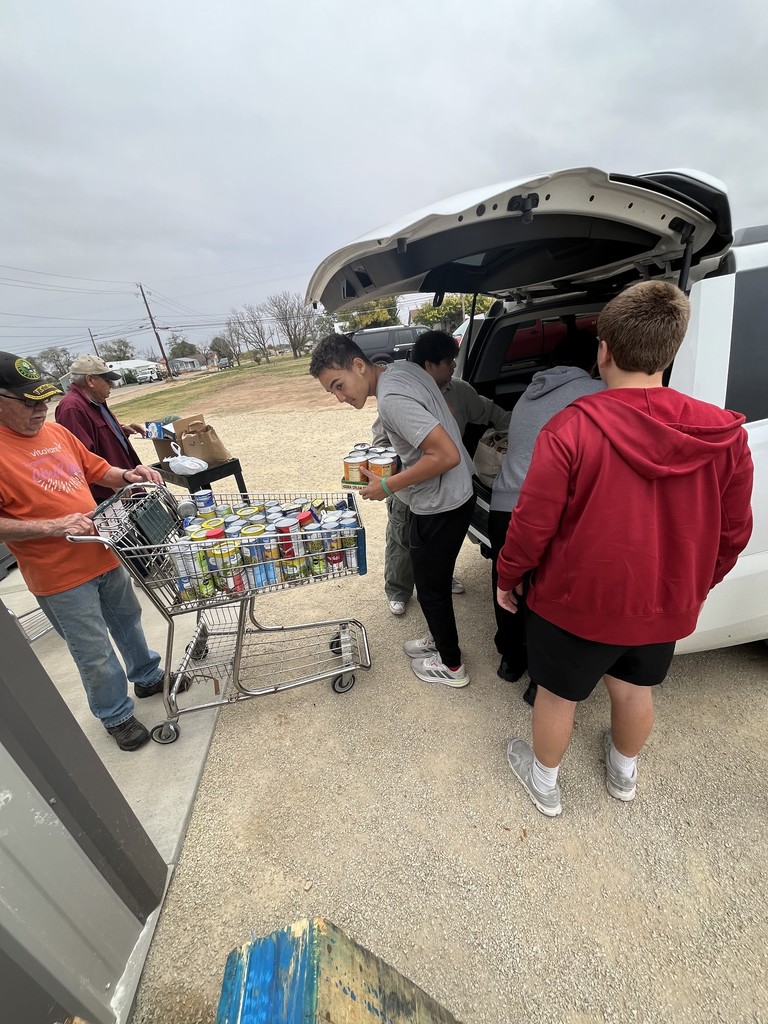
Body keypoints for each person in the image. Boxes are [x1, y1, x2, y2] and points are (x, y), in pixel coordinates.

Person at [496, 282, 753, 817]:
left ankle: (545, 783)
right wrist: (696, 583)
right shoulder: (723, 434)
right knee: (635, 688)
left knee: (558, 694)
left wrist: (507, 575)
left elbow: (532, 524)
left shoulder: (570, 427)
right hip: (662, 603)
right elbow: (734, 533)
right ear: (671, 351)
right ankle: (622, 774)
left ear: (604, 349)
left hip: (575, 602)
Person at [0, 351, 168, 752]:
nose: (41, 409)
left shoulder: (57, 434)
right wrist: (52, 526)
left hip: (103, 551)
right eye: (29, 402)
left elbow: (97, 470)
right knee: (93, 651)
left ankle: (146, 675)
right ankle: (116, 715)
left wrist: (128, 475)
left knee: (128, 619)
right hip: (58, 575)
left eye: (44, 399)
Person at [310, 334, 475, 687]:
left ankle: (452, 667)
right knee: (431, 579)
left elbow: (446, 455)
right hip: (454, 493)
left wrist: (387, 485)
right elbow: (441, 422)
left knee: (431, 588)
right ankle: (439, 637)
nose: (339, 397)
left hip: (440, 503)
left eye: (339, 385)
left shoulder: (391, 400)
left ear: (358, 365)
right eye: (331, 392)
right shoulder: (402, 369)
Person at [490, 330, 605, 703]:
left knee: (506, 588)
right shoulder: (595, 393)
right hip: (545, 506)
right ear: (595, 359)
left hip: (502, 503)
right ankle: (541, 680)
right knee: (543, 597)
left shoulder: (530, 390)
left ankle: (510, 660)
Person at [374, 330, 511, 616]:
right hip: (408, 489)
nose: (453, 368)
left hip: (445, 490)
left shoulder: (459, 391)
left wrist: (521, 426)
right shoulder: (401, 397)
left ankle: (440, 578)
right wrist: (398, 474)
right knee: (401, 537)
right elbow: (380, 443)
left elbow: (489, 412)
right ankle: (398, 590)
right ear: (428, 366)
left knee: (439, 545)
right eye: (448, 362)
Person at [55, 354, 147, 502]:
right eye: (107, 380)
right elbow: (81, 457)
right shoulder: (72, 408)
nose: (111, 385)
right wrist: (113, 483)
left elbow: (98, 435)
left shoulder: (95, 400)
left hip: (126, 482)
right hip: (110, 495)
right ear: (90, 380)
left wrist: (122, 430)